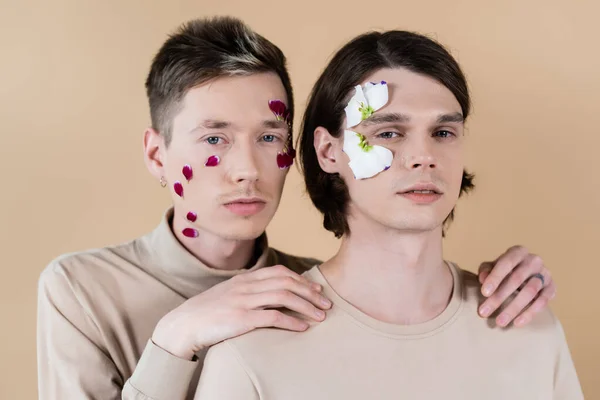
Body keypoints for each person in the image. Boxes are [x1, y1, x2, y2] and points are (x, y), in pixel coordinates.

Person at [37, 17, 558, 400]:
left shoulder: (305, 292)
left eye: (269, 136)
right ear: (157, 153)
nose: (247, 168)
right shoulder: (82, 289)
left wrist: (517, 281)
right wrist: (176, 337)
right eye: (215, 137)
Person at [194, 28, 582, 399]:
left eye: (443, 133)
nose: (423, 157)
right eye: (389, 133)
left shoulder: (530, 328)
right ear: (329, 152)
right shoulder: (252, 353)